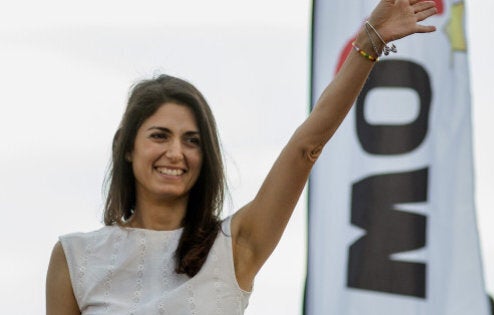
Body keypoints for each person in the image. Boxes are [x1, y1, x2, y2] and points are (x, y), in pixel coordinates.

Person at [45, 1, 438, 314]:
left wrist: (369, 42)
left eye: (192, 140)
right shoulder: (74, 258)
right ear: (128, 147)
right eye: (159, 136)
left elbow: (305, 148)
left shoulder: (235, 245)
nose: (176, 152)